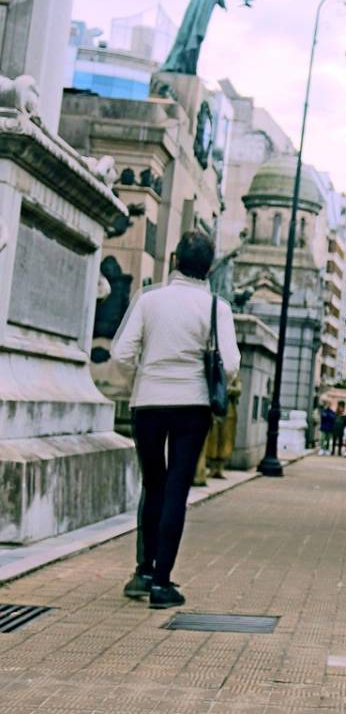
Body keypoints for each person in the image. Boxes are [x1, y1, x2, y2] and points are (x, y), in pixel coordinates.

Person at [112, 231, 241, 610]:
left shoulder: (149, 300)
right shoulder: (217, 308)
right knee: (176, 489)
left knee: (152, 483)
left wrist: (140, 381)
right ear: (209, 268)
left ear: (173, 260)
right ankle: (162, 583)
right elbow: (230, 364)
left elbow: (121, 353)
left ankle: (143, 571)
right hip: (192, 406)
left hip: (148, 403)